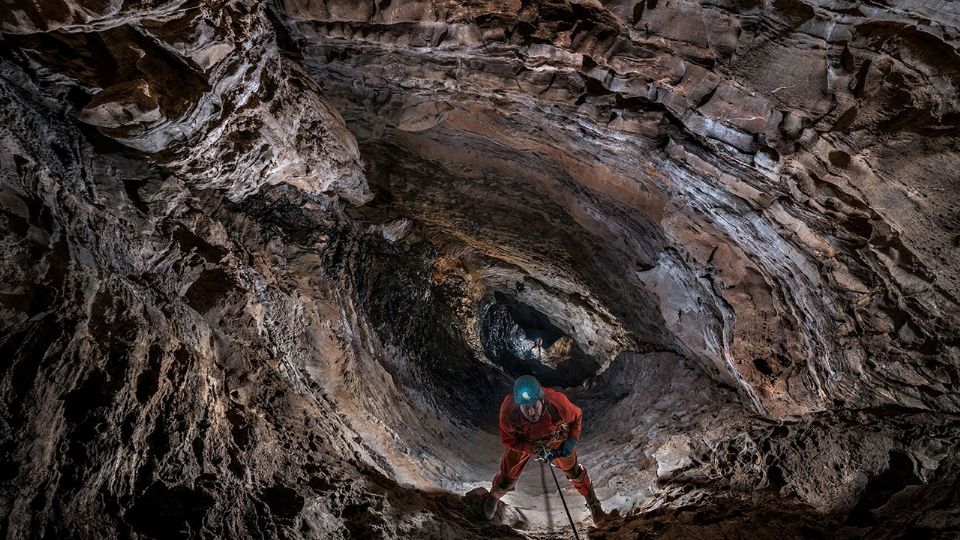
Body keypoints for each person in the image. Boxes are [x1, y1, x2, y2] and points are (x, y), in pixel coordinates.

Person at [483, 375, 604, 523]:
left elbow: (576, 417)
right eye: (526, 408)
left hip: (554, 436)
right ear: (518, 405)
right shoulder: (508, 413)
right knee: (507, 478)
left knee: (573, 471)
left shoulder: (557, 404)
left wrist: (571, 439)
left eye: (534, 405)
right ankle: (495, 494)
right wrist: (534, 448)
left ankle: (593, 502)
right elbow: (510, 441)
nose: (532, 412)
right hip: (524, 440)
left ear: (541, 400)